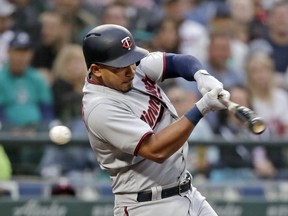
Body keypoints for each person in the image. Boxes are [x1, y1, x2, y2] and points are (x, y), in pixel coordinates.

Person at [82, 24, 230, 216]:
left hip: (187, 192)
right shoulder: (100, 107)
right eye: (121, 66)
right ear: (97, 70)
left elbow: (177, 61)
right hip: (147, 205)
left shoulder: (129, 69)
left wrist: (201, 76)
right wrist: (202, 107)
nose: (131, 70)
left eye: (131, 61)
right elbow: (156, 150)